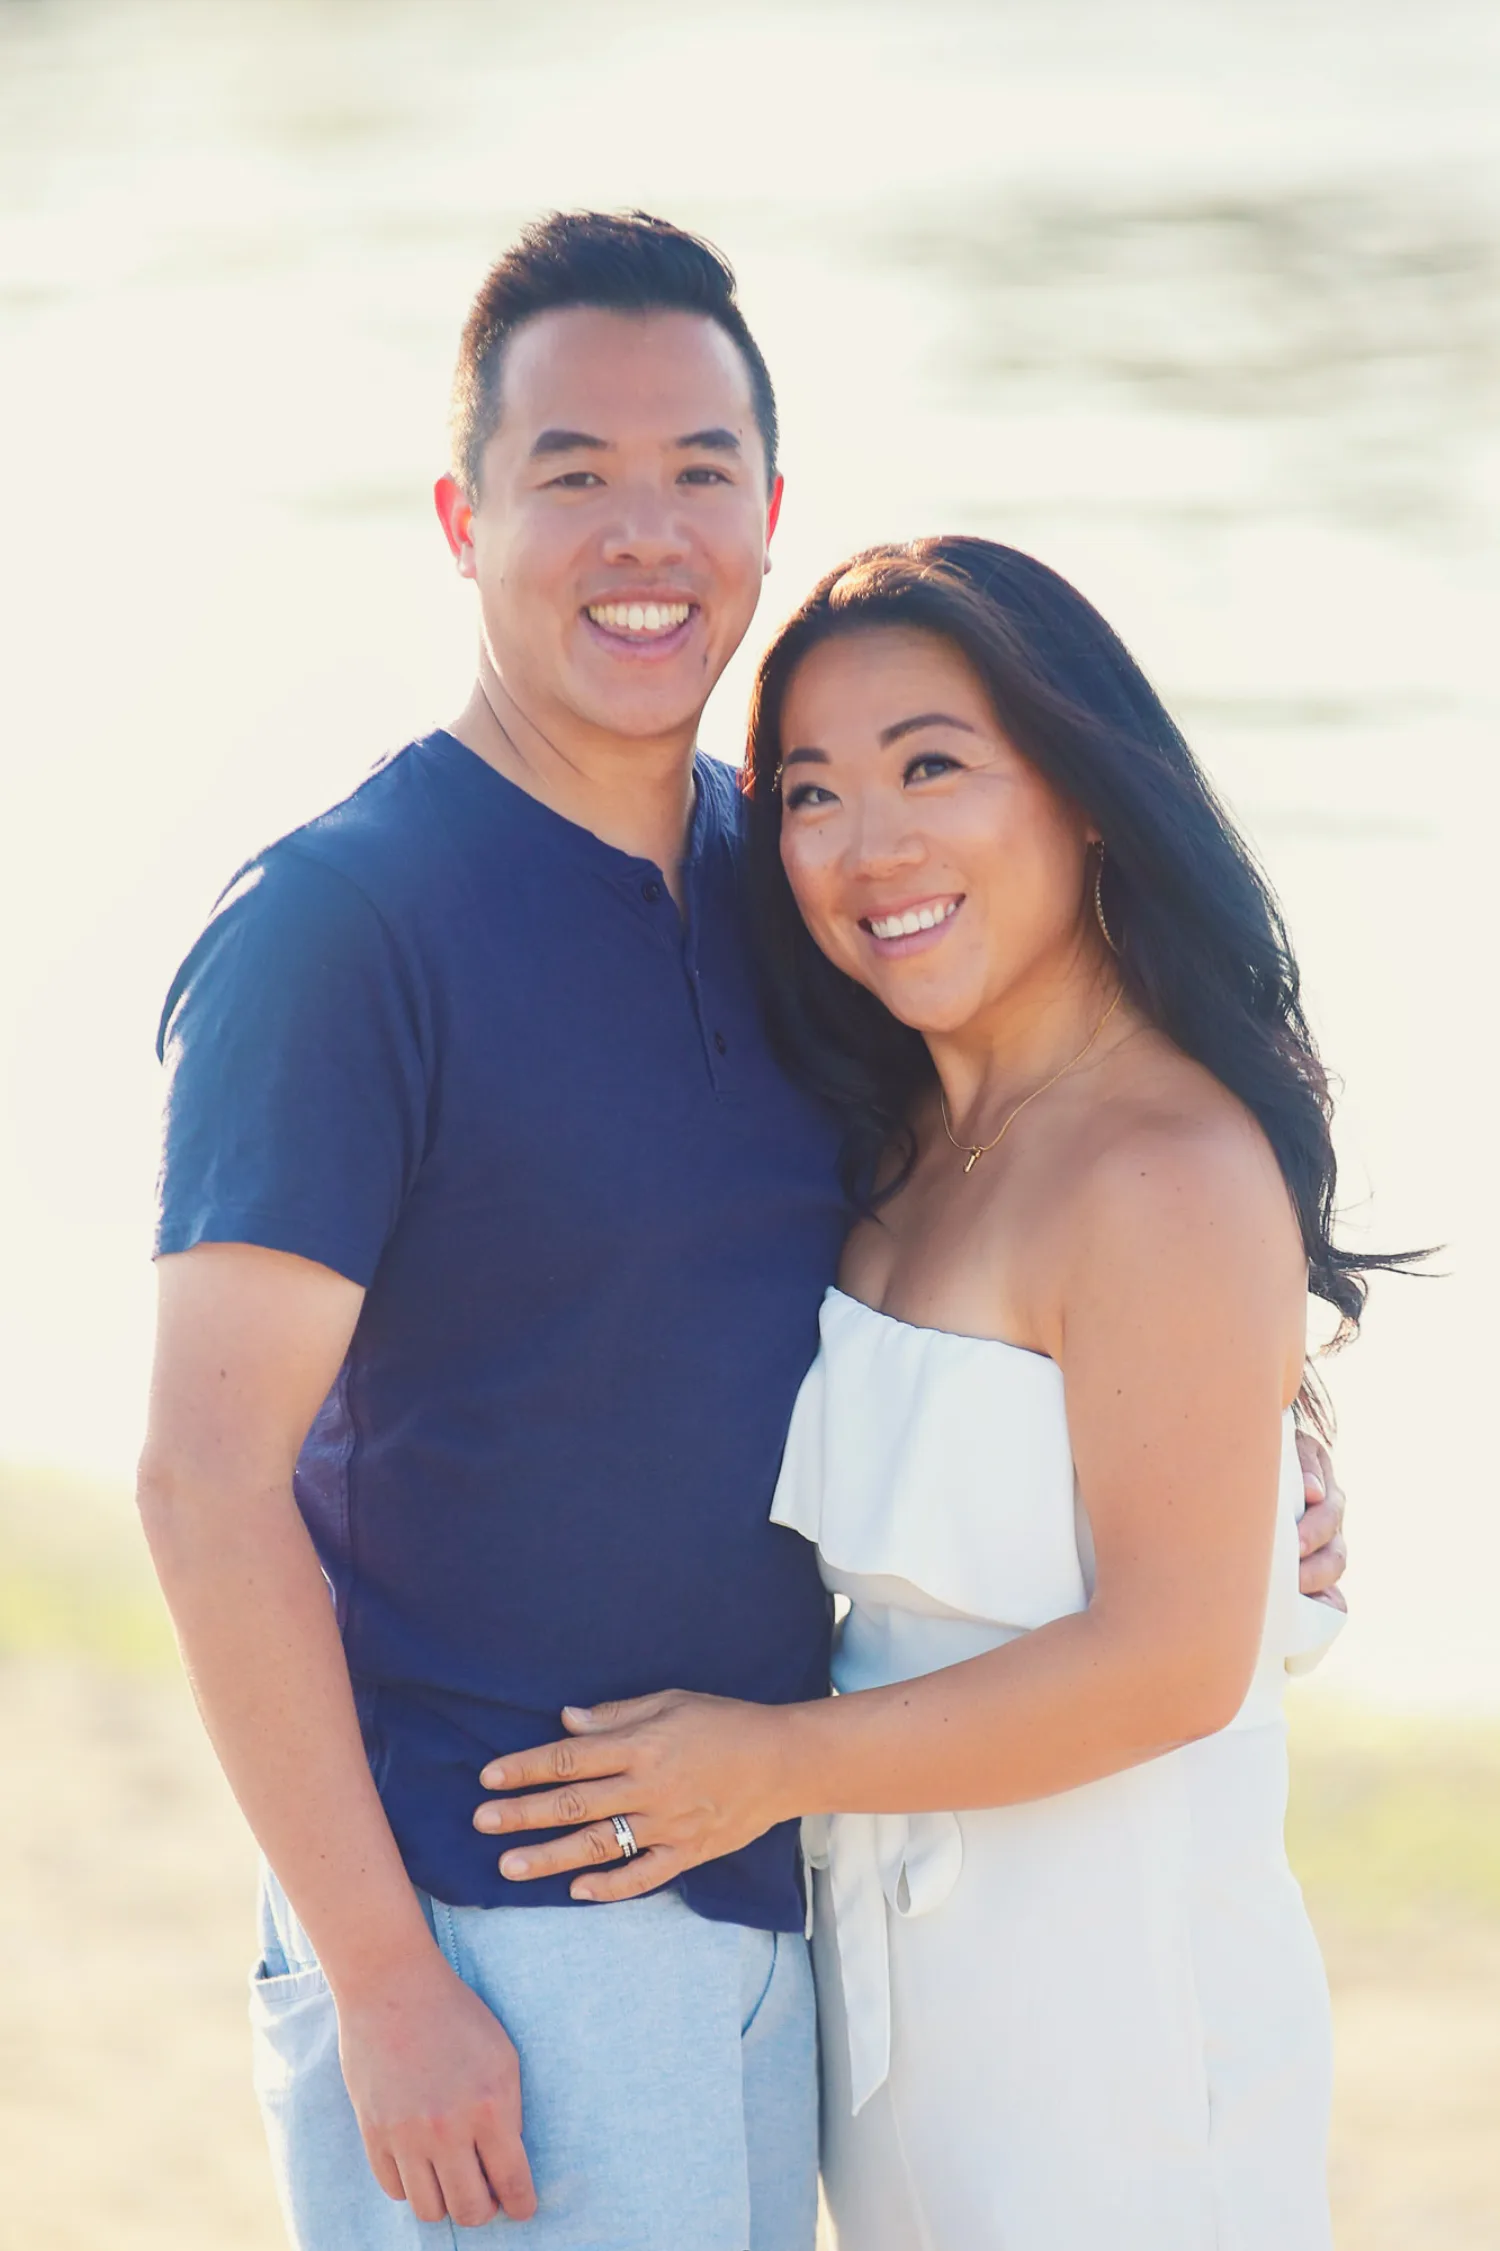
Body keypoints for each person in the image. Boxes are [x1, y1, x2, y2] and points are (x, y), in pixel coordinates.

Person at [138, 212, 1346, 2251]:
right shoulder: (344, 932)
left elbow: (1020, 1219)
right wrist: (386, 1986)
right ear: (460, 516)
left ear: (769, 511)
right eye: (573, 474)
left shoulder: (795, 889)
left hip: (797, 1906)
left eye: (699, 470)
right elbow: (199, 1480)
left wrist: (1258, 1437)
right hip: (498, 1915)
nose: (646, 530)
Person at [472, 537, 1400, 2247]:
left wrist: (764, 1767)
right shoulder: (893, 1140)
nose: (872, 844)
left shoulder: (1167, 1169)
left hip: (1118, 2025)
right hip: (900, 2017)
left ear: (1086, 789)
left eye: (932, 767)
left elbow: (1179, 1662)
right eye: (812, 793)